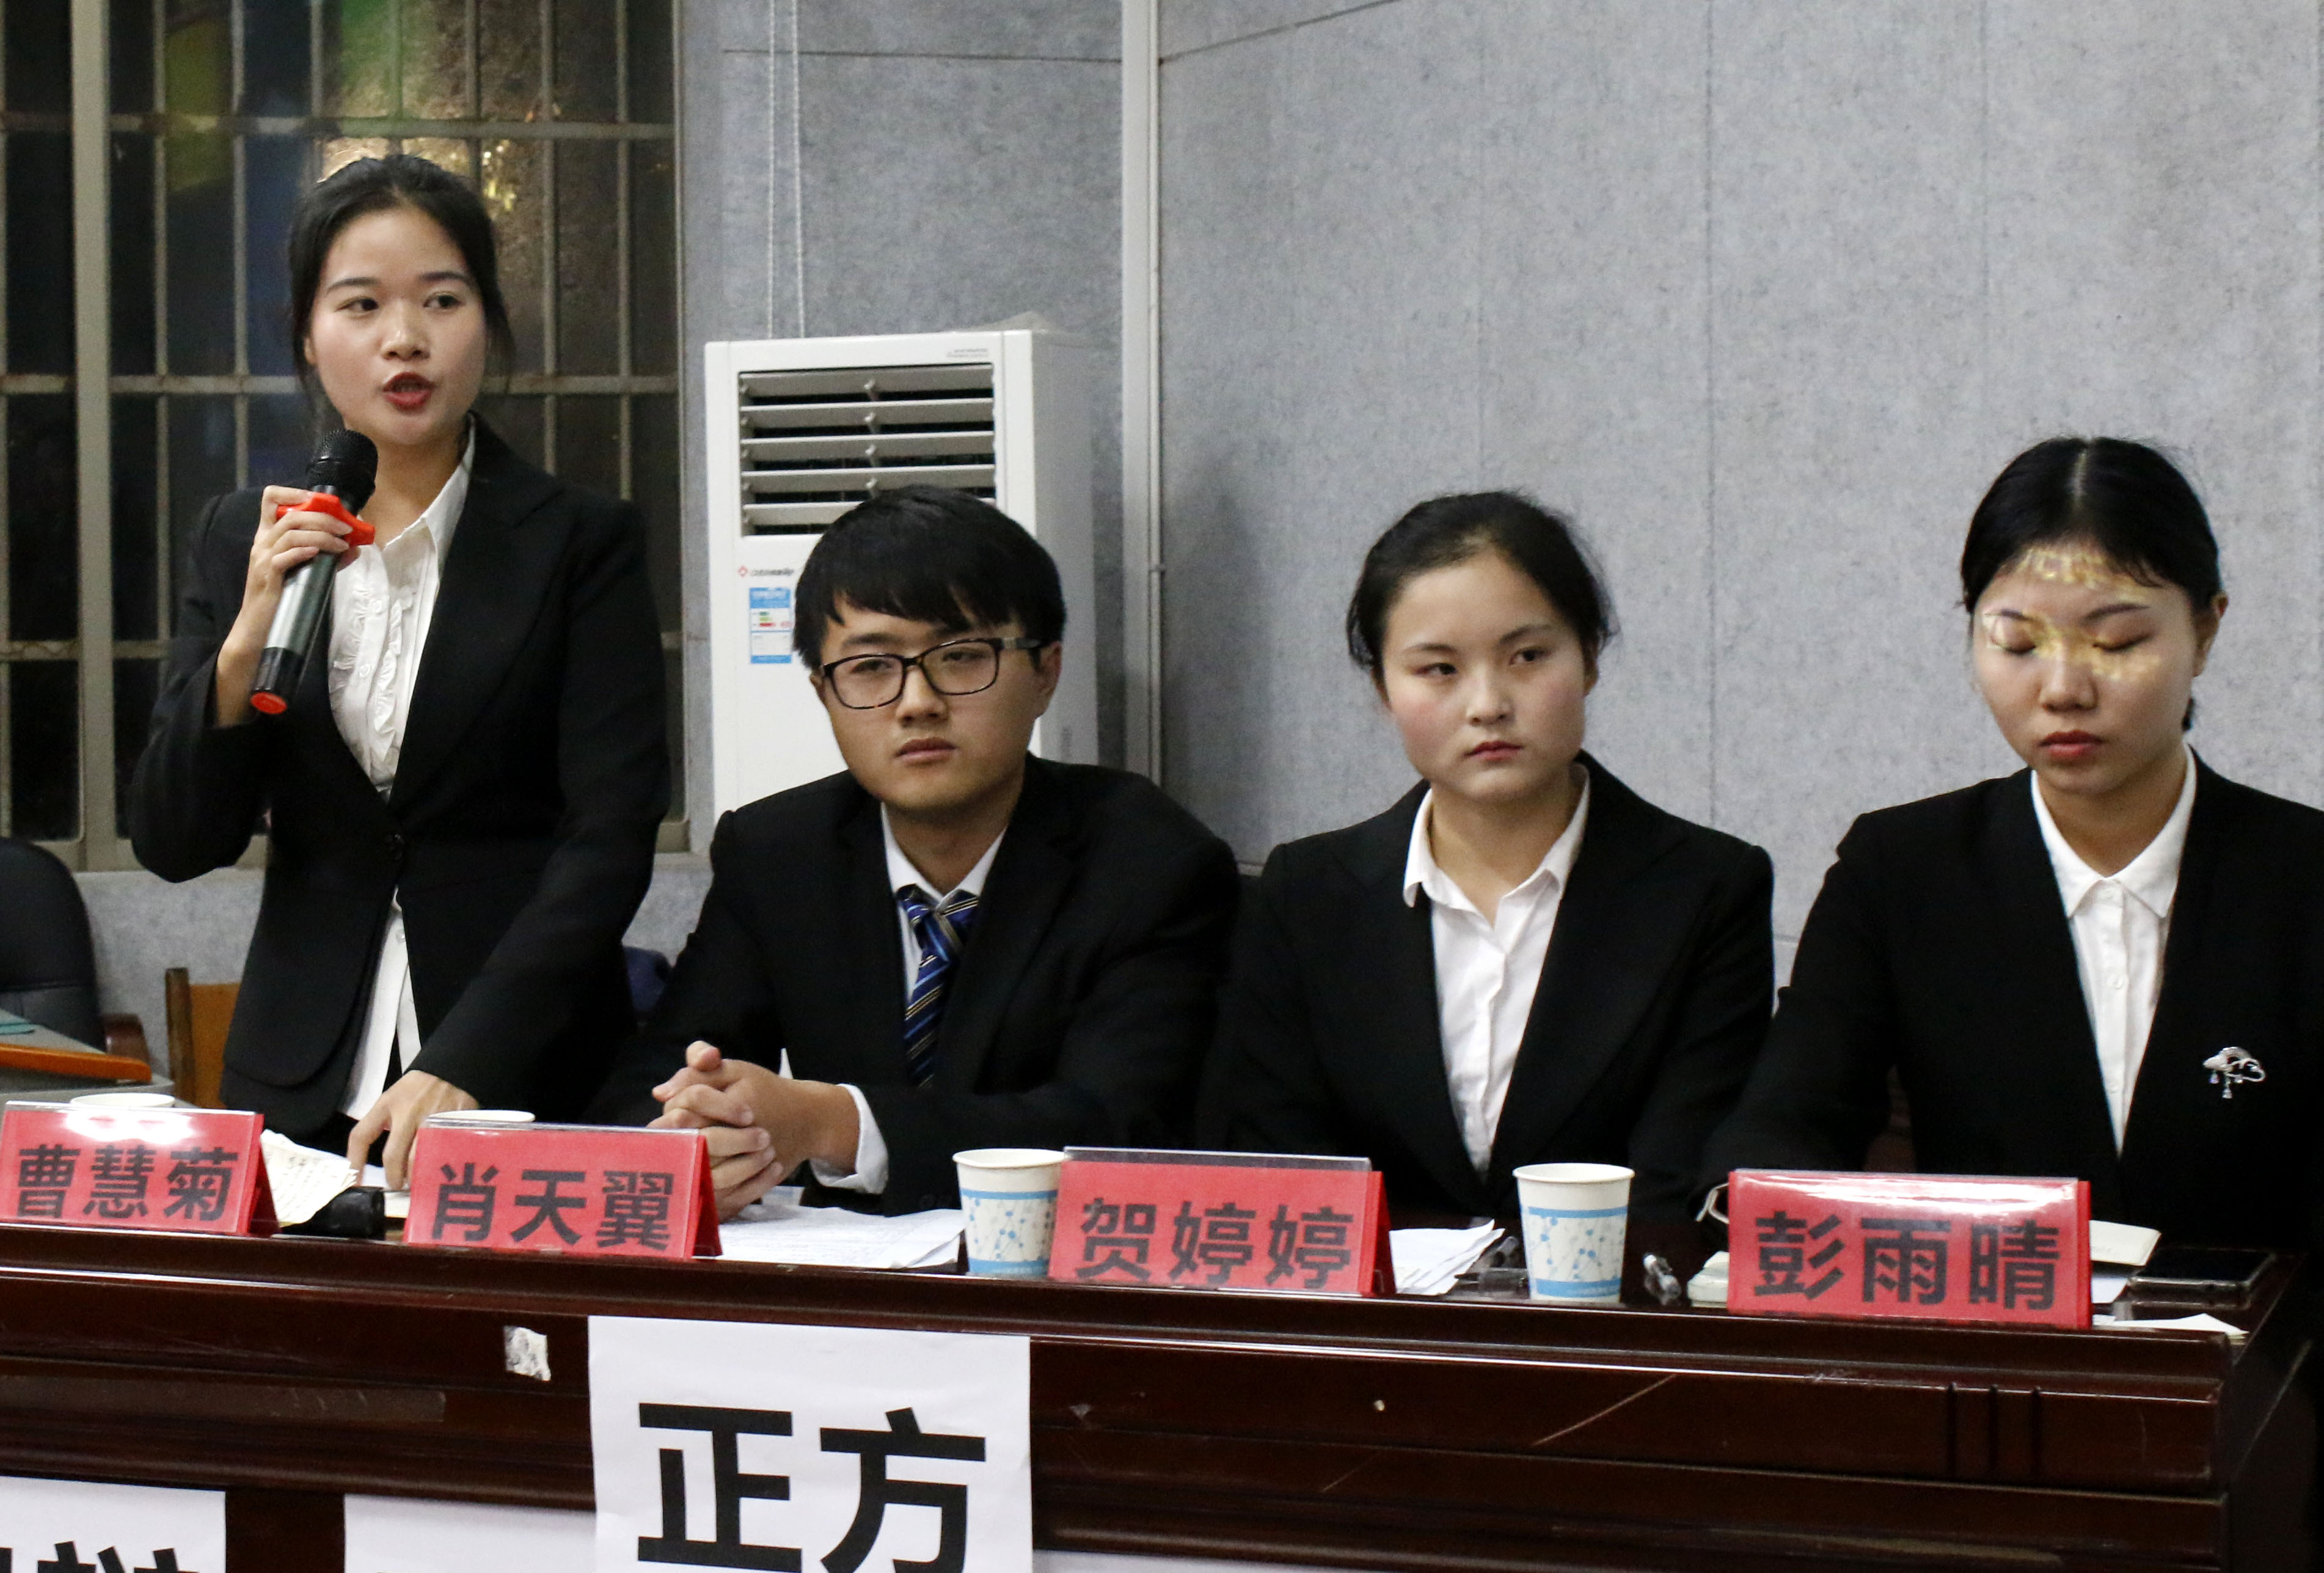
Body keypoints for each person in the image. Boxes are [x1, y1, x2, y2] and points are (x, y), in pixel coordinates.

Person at [130, 155, 668, 1182]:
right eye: (361, 304)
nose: (404, 338)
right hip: (298, 1081)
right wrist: (246, 639)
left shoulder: (580, 541)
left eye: (442, 300)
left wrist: (468, 1058)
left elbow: (607, 838)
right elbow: (173, 839)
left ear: (488, 322)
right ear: (307, 333)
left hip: (527, 1074)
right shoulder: (241, 536)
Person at [1701, 437, 2324, 1247]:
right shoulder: (1902, 870)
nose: (2064, 689)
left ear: (2205, 631)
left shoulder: (2304, 876)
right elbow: (1789, 1117)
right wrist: (1755, 1203)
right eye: (2020, 646)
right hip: (1992, 1323)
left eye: (2118, 642)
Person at [586, 486, 1238, 1217]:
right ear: (824, 693)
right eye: (871, 667)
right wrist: (694, 1137)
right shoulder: (777, 854)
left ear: (1046, 673)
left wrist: (832, 1124)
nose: (917, 702)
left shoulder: (1150, 862)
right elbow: (655, 1076)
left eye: (960, 657)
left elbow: (1119, 1127)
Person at [1197, 492, 1775, 1222]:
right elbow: (1282, 1164)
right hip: (1374, 1296)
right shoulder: (1305, 894)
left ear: (1590, 657)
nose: (1488, 704)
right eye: (1439, 669)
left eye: (1527, 657)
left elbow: (1679, 1172)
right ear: (1382, 687)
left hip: (1611, 1289)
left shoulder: (1707, 889)